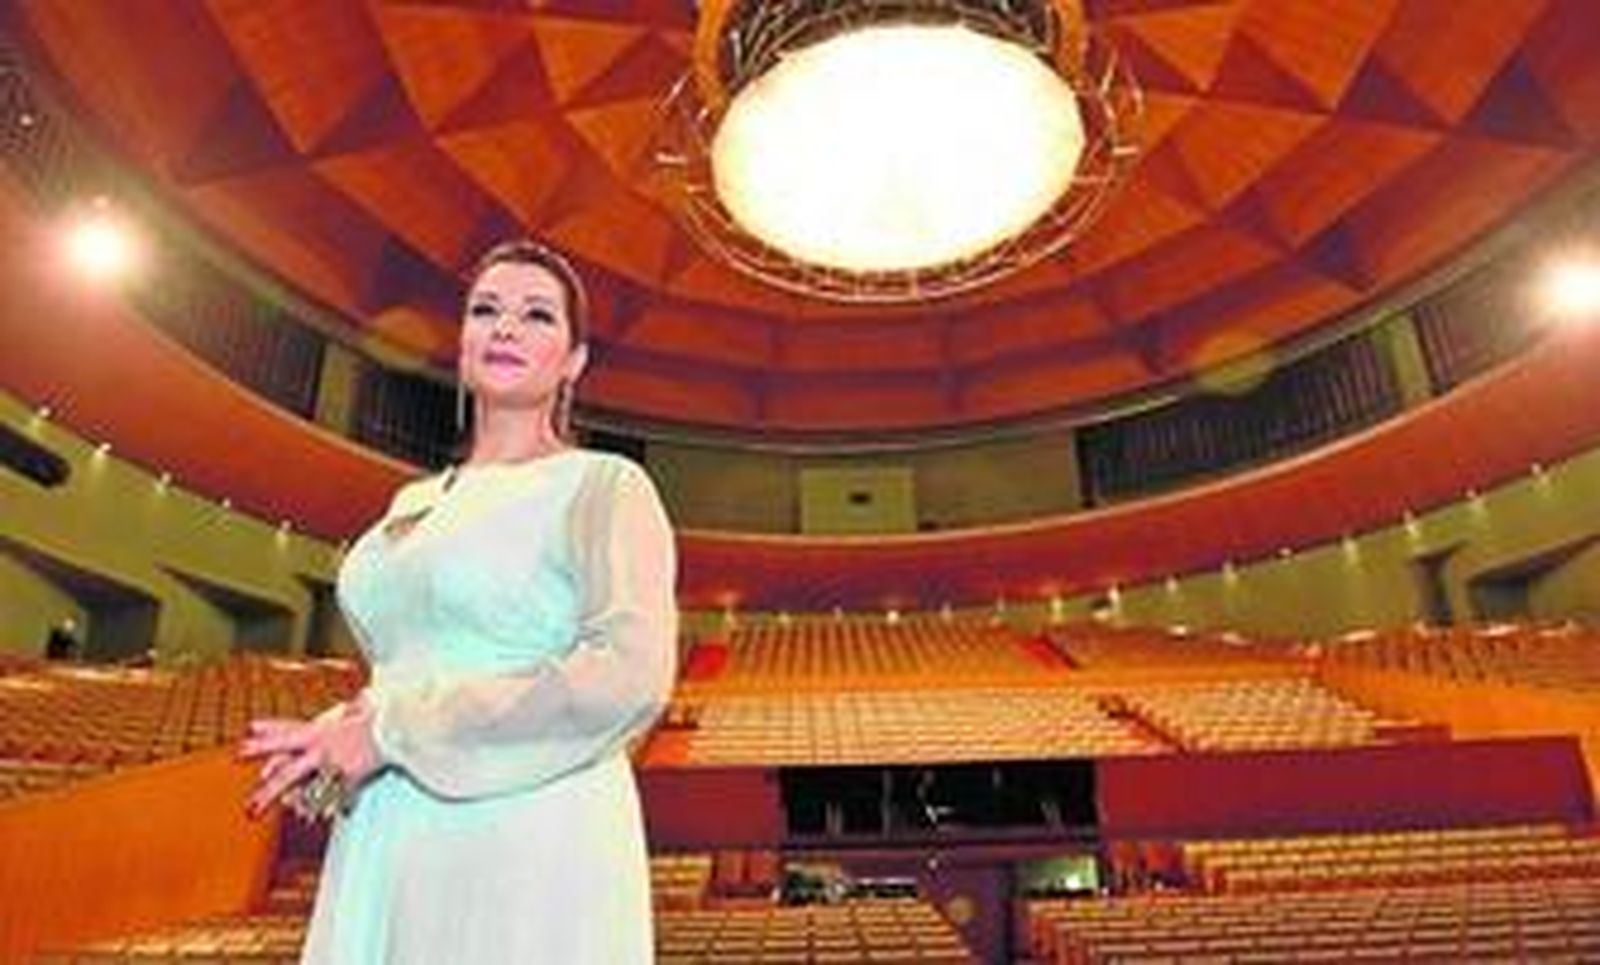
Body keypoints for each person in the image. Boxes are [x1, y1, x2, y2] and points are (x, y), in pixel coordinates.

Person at [237, 239, 679, 964]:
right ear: (466, 342)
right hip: (386, 817)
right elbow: (407, 664)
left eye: (537, 315)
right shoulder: (410, 501)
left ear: (574, 361)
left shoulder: (604, 485)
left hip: (528, 820)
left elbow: (627, 673)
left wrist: (390, 732)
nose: (506, 326)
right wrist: (340, 733)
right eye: (486, 310)